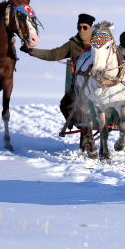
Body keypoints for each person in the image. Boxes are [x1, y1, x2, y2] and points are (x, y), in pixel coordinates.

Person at [20, 13, 95, 149]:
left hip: (98, 84)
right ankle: (81, 126)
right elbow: (54, 54)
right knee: (64, 104)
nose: (81, 30)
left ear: (91, 27)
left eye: (85, 27)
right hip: (79, 86)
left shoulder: (100, 43)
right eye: (79, 27)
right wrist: (32, 51)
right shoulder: (73, 44)